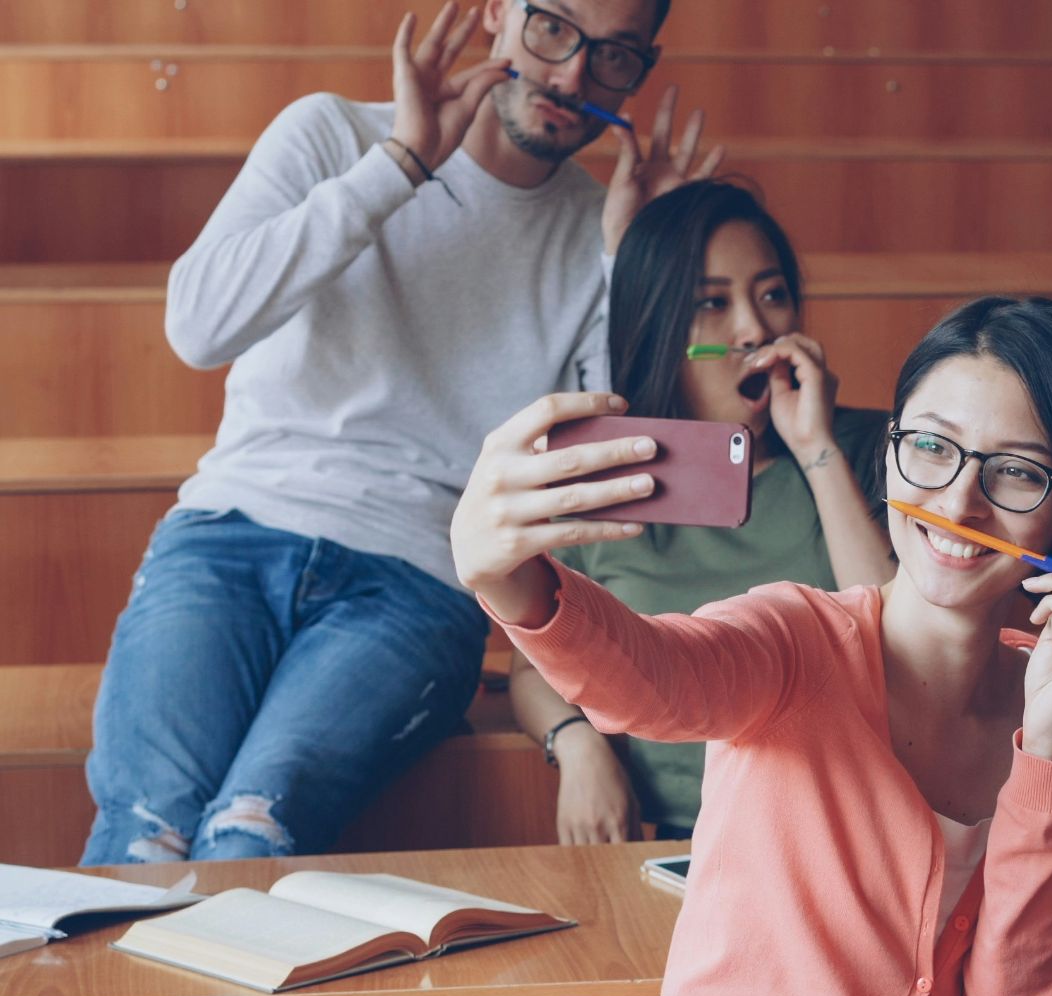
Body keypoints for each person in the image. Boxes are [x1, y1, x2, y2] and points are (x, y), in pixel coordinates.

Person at [451, 296, 1052, 996]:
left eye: (1018, 471)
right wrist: (508, 576)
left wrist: (1050, 747)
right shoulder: (794, 639)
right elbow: (642, 681)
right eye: (930, 446)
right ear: (889, 451)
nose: (960, 501)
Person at [82, 0, 719, 864]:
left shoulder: (595, 227)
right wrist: (402, 165)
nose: (572, 75)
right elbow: (198, 326)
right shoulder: (332, 135)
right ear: (499, 12)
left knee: (247, 837)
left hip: (417, 583)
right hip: (230, 530)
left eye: (614, 57)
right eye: (553, 29)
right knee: (141, 840)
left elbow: (602, 472)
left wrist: (628, 259)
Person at [511, 179, 894, 844]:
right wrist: (577, 745)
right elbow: (532, 663)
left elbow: (901, 634)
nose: (753, 328)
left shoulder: (867, 450)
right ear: (657, 325)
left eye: (772, 295)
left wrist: (814, 447)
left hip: (843, 833)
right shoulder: (607, 473)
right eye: (712, 304)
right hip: (676, 840)